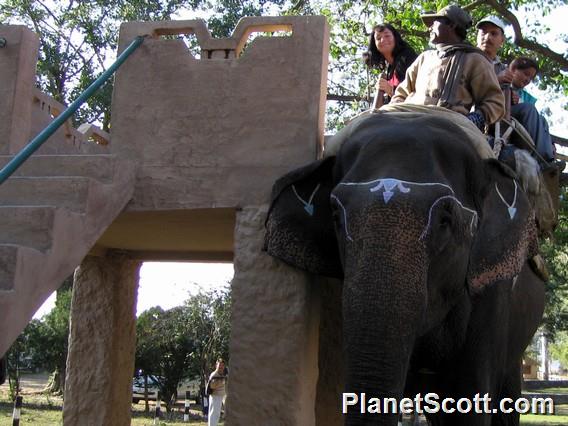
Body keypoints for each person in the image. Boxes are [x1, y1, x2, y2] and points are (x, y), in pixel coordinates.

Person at [391, 5, 504, 130]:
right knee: (368, 121)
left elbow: (495, 102)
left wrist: (474, 120)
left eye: (435, 23)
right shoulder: (424, 58)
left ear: (451, 25)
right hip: (408, 116)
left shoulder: (475, 60)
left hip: (447, 125)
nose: (430, 28)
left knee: (480, 148)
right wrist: (392, 114)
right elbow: (401, 93)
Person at [476, 17, 555, 161]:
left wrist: (511, 97)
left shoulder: (500, 67)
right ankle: (543, 160)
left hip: (502, 115)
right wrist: (497, 80)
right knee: (528, 109)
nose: (487, 37)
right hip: (481, 115)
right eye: (483, 32)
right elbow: (469, 86)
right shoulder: (471, 59)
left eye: (493, 33)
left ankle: (546, 156)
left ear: (502, 41)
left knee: (539, 117)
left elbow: (501, 93)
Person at [509, 56, 555, 160]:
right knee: (529, 108)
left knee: (543, 120)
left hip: (521, 124)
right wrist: (508, 95)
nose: (527, 80)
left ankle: (548, 157)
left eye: (531, 78)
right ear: (513, 69)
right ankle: (537, 156)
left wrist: (551, 142)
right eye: (526, 74)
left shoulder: (526, 96)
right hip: (503, 117)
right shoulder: (504, 80)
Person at [364, 23, 418, 104]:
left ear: (395, 38)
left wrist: (391, 90)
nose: (383, 40)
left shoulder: (408, 57)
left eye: (387, 36)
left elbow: (416, 91)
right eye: (378, 38)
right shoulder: (389, 70)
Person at [206, 358, 227, 426]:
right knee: (214, 414)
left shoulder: (222, 374)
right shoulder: (215, 375)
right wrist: (221, 381)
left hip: (220, 396)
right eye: (219, 365)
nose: (221, 367)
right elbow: (212, 386)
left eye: (222, 365)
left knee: (217, 414)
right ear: (216, 365)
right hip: (215, 396)